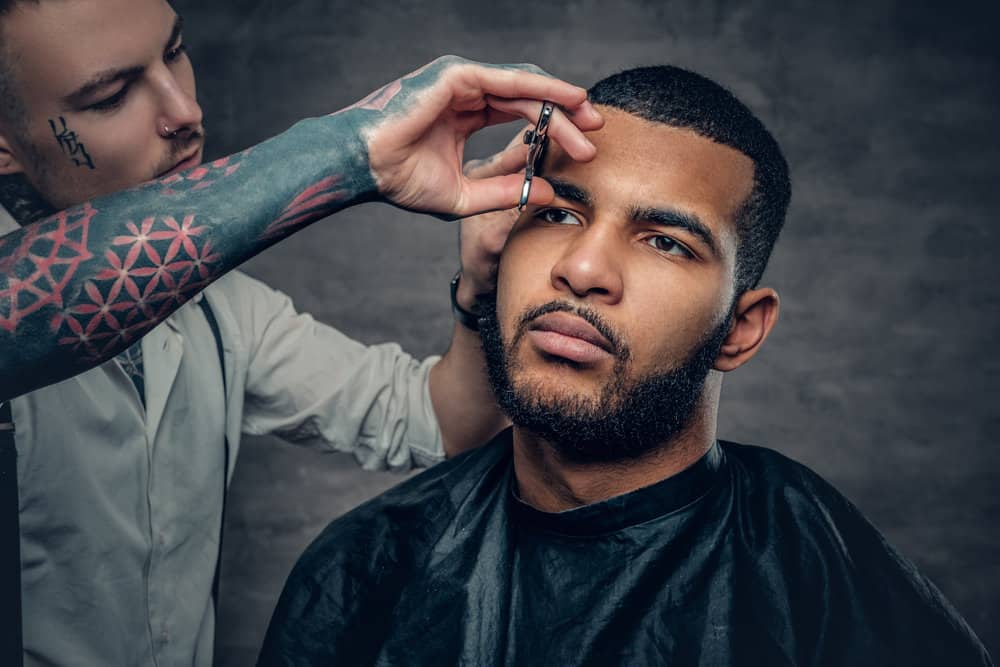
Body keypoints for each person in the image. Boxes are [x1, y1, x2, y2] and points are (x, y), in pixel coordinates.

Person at [258, 66, 993, 666]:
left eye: (666, 241)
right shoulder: (363, 572)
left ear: (740, 328)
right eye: (557, 214)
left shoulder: (815, 576)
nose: (582, 268)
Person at [0, 0, 604, 663]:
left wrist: (480, 290)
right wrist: (347, 151)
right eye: (112, 95)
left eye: (174, 53)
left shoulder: (220, 308)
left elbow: (437, 419)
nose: (184, 113)